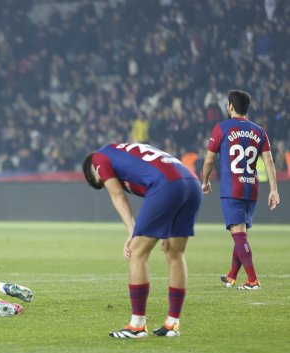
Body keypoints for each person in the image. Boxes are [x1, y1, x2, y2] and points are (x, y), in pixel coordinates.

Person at [83, 142, 203, 338]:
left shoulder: (99, 158)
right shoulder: (121, 151)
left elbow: (117, 194)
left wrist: (132, 231)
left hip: (167, 185)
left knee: (137, 252)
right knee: (175, 252)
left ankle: (137, 325)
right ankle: (172, 323)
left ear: (94, 172)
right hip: (191, 183)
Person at [201, 90, 280, 290]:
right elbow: (269, 161)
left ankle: (253, 280)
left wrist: (205, 180)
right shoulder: (259, 131)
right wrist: (273, 190)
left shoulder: (221, 128)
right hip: (251, 188)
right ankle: (231, 276)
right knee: (241, 232)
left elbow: (209, 159)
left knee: (238, 235)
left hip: (232, 188)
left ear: (229, 106)